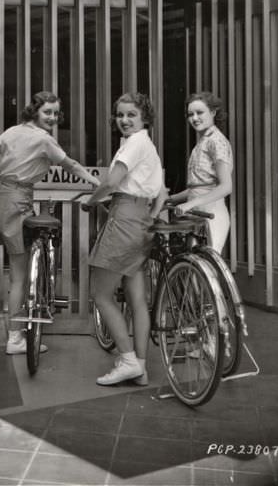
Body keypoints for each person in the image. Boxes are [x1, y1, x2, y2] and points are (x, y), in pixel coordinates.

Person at [0, 91, 100, 355]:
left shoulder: (12, 131)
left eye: (56, 113)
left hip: (0, 199)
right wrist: (98, 183)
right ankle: (15, 338)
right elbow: (70, 165)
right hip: (19, 198)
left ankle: (17, 331)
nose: (53, 118)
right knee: (20, 277)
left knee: (16, 270)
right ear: (35, 111)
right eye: (48, 112)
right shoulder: (44, 140)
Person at [83, 93, 165, 386]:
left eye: (131, 114)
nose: (124, 120)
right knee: (136, 299)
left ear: (144, 117)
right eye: (120, 115)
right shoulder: (148, 145)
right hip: (141, 220)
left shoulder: (134, 144)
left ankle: (128, 360)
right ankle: (140, 367)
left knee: (101, 294)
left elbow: (111, 182)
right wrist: (153, 214)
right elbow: (162, 191)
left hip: (125, 216)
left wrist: (91, 202)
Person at [167, 91, 233, 254]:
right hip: (196, 213)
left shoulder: (217, 142)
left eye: (200, 112)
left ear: (213, 112)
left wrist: (190, 204)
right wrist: (170, 199)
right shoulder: (203, 141)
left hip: (211, 214)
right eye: (190, 114)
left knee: (207, 273)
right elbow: (197, 187)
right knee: (192, 271)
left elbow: (226, 187)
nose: (194, 118)